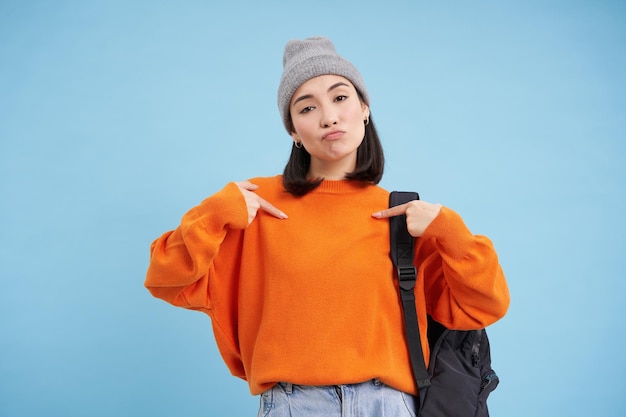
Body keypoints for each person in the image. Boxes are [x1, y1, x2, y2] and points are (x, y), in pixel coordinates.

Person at [145, 36, 510, 417]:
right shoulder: (255, 207)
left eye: (340, 98)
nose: (328, 117)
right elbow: (164, 277)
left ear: (364, 109)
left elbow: (485, 306)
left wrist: (448, 229)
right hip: (293, 404)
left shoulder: (401, 217)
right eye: (307, 107)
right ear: (292, 130)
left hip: (387, 405)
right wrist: (216, 212)